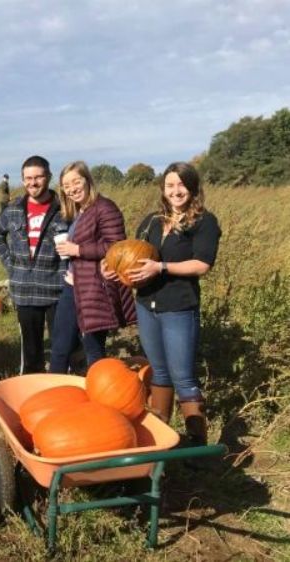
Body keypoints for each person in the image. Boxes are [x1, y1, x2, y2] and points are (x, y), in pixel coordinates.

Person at [104, 162, 221, 447]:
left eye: (182, 184)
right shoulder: (152, 221)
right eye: (170, 185)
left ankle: (196, 445)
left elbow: (202, 264)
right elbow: (133, 254)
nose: (176, 190)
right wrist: (114, 267)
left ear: (192, 188)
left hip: (179, 307)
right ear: (163, 188)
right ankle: (161, 436)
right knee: (159, 370)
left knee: (183, 376)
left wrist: (161, 267)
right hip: (147, 305)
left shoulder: (205, 222)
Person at [49, 161, 136, 374]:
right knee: (60, 346)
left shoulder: (105, 207)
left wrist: (77, 250)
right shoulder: (79, 211)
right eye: (66, 185)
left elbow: (116, 247)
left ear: (88, 180)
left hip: (95, 289)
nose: (72, 188)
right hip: (72, 286)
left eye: (76, 182)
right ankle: (53, 392)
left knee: (93, 349)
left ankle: (99, 397)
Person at [0, 155, 65, 374]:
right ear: (23, 180)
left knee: (63, 347)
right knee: (31, 353)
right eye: (28, 178)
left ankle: (62, 391)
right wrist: (10, 264)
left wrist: (65, 272)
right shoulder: (13, 209)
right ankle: (32, 392)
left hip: (57, 289)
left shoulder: (65, 209)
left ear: (49, 177)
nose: (33, 183)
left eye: (38, 177)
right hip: (24, 289)